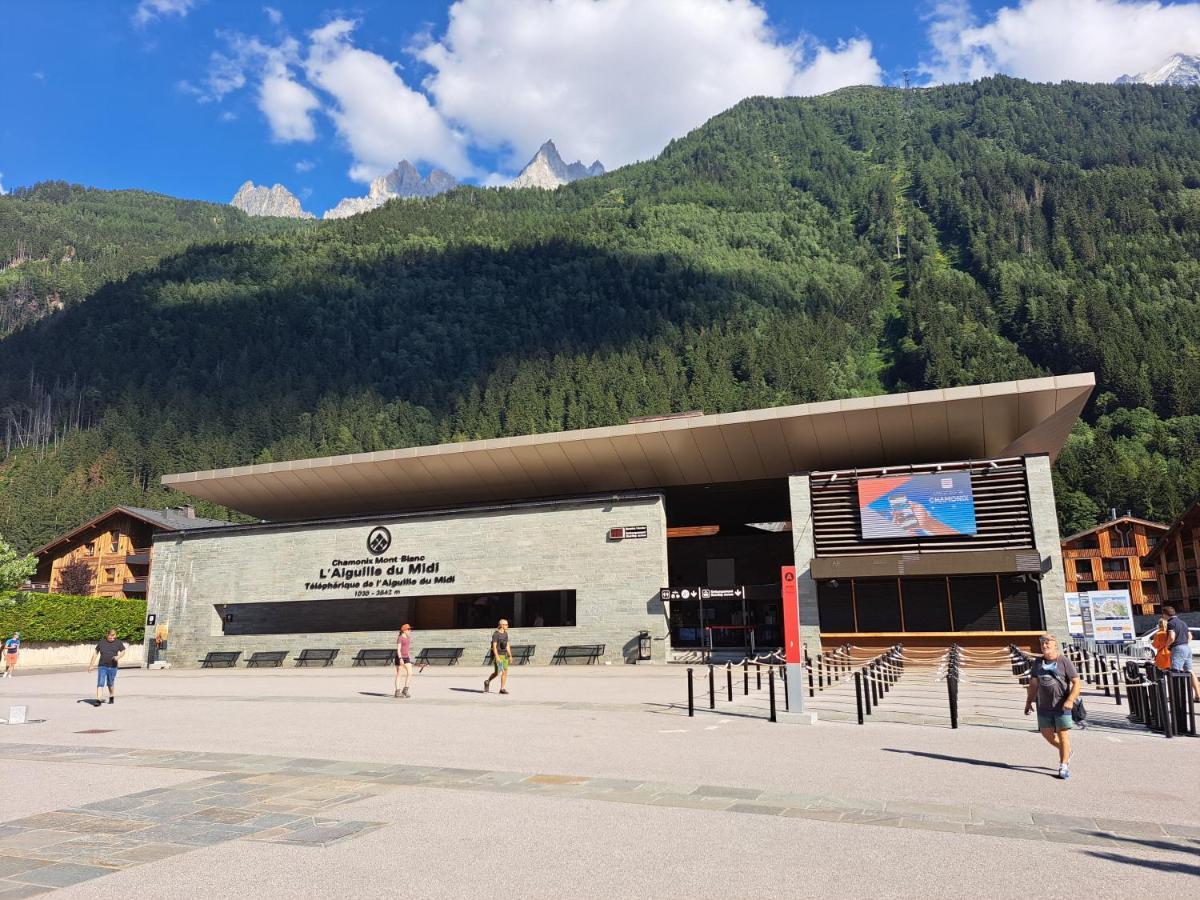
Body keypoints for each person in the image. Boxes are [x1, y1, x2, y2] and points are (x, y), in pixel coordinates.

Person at [1023, 634, 1081, 780]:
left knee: (1063, 735)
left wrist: (1070, 699)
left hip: (1062, 706)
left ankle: (1064, 765)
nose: (1044, 646)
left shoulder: (1064, 661)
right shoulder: (1038, 662)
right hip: (1044, 706)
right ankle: (1067, 751)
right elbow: (1034, 683)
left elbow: (1076, 682)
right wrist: (1029, 701)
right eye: (1042, 644)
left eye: (1048, 643)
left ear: (1055, 645)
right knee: (1046, 734)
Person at [1163, 606, 1199, 701]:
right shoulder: (1183, 622)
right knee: (1190, 671)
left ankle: (1175, 697)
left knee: (1175, 671)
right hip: (1186, 648)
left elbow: (1171, 637)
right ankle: (1198, 695)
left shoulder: (1170, 623)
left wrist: (1166, 645)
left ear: (1165, 614)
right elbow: (1190, 636)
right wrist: (1184, 643)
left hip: (1177, 648)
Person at [88, 628, 126, 706]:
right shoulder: (101, 642)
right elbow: (95, 653)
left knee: (110, 683)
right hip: (102, 666)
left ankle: (111, 696)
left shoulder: (118, 642)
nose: (112, 638)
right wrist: (91, 665)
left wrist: (118, 657)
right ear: (107, 635)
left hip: (113, 667)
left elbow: (123, 651)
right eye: (110, 637)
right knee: (100, 682)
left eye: (113, 637)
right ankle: (98, 700)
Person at [484, 619, 512, 695]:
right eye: (506, 624)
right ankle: (487, 681)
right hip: (498, 655)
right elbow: (494, 647)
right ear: (501, 625)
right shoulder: (496, 634)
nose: (507, 626)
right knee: (498, 672)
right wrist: (497, 657)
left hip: (505, 655)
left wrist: (510, 655)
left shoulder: (506, 633)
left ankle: (502, 689)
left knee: (505, 672)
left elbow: (507, 645)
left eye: (507, 624)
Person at [395, 623, 414, 699]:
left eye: (410, 629)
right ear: (404, 630)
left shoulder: (408, 638)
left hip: (406, 657)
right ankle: (397, 691)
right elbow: (398, 650)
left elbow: (407, 649)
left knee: (410, 673)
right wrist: (400, 659)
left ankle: (405, 690)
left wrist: (409, 657)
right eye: (408, 629)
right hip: (400, 658)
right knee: (399, 674)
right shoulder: (400, 638)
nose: (410, 630)